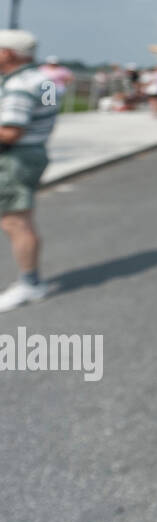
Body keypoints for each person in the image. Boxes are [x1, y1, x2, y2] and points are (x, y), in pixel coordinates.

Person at [0, 31, 60, 312]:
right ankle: (31, 282)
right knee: (19, 218)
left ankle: (30, 283)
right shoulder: (42, 80)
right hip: (33, 152)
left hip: (16, 157)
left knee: (16, 222)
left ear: (8, 53)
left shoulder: (20, 85)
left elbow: (10, 131)